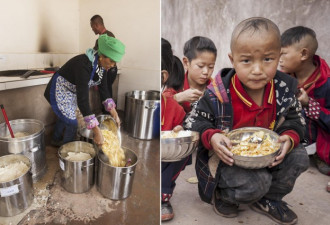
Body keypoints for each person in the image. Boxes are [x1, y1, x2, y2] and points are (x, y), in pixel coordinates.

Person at [184, 17, 309, 225]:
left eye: (267, 59)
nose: (257, 70)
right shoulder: (217, 93)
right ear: (232, 60)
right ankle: (224, 196)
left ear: (279, 58)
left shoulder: (284, 89)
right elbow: (193, 121)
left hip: (269, 155)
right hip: (228, 160)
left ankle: (269, 200)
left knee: (299, 157)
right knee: (258, 183)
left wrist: (290, 137)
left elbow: (297, 120)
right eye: (246, 61)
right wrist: (212, 136)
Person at [45, 34, 125, 146]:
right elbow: (83, 100)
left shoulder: (101, 67)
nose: (112, 65)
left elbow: (104, 89)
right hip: (60, 90)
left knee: (67, 115)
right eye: (111, 61)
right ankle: (68, 150)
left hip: (72, 91)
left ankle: (55, 139)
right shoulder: (84, 65)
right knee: (72, 123)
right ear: (102, 55)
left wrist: (114, 112)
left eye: (115, 63)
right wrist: (96, 131)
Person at [280, 26, 330, 177]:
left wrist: (310, 104)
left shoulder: (326, 83)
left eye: (283, 54)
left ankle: (318, 153)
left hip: (321, 134)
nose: (279, 59)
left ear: (303, 54)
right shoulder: (285, 77)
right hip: (295, 132)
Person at [161, 38, 186, 221]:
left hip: (166, 157)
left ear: (163, 76)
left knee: (181, 153)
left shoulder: (175, 110)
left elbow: (184, 128)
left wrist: (180, 129)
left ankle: (163, 197)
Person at [163, 36, 217, 113]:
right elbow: (162, 106)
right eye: (200, 66)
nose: (206, 71)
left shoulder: (217, 88)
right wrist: (178, 98)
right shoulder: (175, 86)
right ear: (186, 63)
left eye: (211, 67)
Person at [90, 15, 118, 112]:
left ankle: (108, 117)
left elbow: (101, 56)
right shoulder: (104, 37)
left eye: (92, 26)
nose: (92, 29)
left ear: (96, 25)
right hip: (110, 70)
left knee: (105, 92)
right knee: (106, 92)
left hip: (108, 70)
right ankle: (109, 115)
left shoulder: (106, 37)